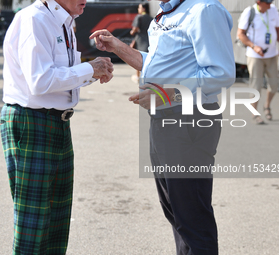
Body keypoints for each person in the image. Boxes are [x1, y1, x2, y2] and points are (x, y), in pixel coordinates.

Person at [90, 0, 235, 254]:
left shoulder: (204, 9)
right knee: (177, 214)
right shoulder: (166, 10)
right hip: (166, 120)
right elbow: (158, 65)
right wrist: (118, 46)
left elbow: (220, 74)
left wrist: (165, 95)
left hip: (189, 119)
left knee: (192, 217)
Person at [0, 0, 113, 253]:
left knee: (57, 220)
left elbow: (60, 76)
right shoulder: (35, 19)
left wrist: (94, 72)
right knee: (34, 221)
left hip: (55, 122)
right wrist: (88, 68)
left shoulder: (64, 21)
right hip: (32, 121)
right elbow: (39, 81)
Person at [237, 0, 279, 124]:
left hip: (271, 54)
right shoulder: (249, 12)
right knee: (256, 86)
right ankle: (255, 113)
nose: (270, 4)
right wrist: (254, 46)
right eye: (267, 2)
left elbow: (278, 30)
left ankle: (267, 105)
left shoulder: (272, 10)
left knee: (274, 84)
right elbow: (240, 34)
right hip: (255, 56)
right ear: (259, 2)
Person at [130, 3, 152, 83]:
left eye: (139, 8)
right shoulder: (151, 18)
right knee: (147, 59)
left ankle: (138, 76)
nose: (138, 9)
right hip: (149, 40)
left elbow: (135, 29)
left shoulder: (139, 17)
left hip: (140, 40)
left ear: (143, 9)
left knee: (138, 58)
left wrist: (132, 32)